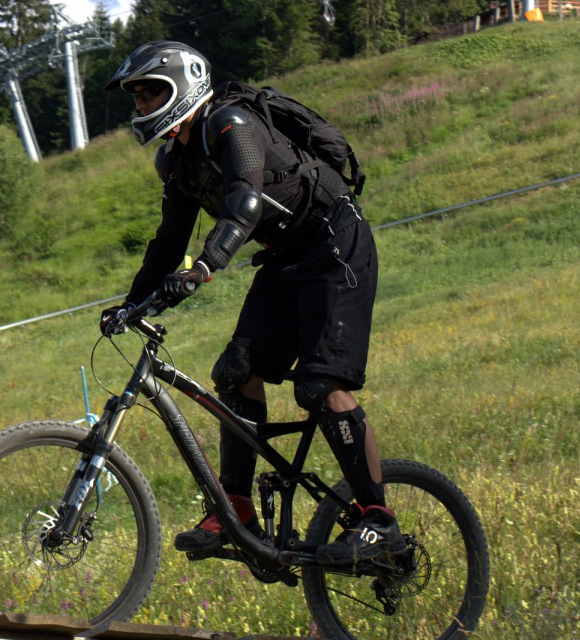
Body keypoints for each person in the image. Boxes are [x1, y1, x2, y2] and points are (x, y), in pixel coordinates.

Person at [100, 41, 401, 566]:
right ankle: (236, 509)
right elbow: (167, 242)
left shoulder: (230, 126)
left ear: (183, 87)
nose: (141, 106)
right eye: (138, 98)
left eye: (151, 93)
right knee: (237, 370)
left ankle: (379, 521)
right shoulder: (176, 160)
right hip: (286, 257)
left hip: (337, 245)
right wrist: (133, 304)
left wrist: (203, 267)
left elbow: (245, 202)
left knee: (319, 385)